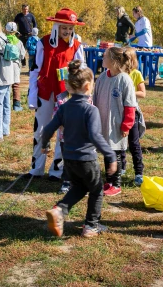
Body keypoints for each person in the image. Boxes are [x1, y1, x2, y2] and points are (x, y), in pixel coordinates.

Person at [43, 60, 117, 238]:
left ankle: (60, 210)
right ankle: (91, 226)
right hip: (86, 159)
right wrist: (110, 155)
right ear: (87, 86)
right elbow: (95, 136)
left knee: (79, 187)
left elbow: (48, 128)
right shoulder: (90, 110)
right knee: (97, 190)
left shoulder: (65, 107)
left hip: (68, 158)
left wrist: (45, 144)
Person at [27, 8, 86, 190]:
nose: (67, 32)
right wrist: (32, 93)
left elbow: (82, 71)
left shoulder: (76, 46)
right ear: (57, 27)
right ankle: (36, 168)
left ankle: (57, 170)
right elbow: (35, 69)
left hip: (65, 95)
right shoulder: (43, 43)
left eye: (70, 29)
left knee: (63, 133)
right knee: (41, 130)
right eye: (64, 28)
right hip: (45, 93)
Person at [92, 46, 137, 196]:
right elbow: (95, 98)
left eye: (105, 57)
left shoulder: (124, 80)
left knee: (115, 152)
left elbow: (130, 105)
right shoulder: (103, 77)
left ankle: (116, 184)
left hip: (117, 123)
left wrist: (126, 125)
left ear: (114, 61)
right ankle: (109, 181)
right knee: (106, 152)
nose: (102, 59)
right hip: (103, 121)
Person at [123, 49, 147, 186]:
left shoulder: (136, 74)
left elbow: (143, 93)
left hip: (132, 111)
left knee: (134, 142)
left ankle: (138, 172)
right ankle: (121, 167)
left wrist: (129, 91)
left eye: (126, 58)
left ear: (132, 60)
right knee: (119, 143)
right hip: (118, 111)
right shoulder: (118, 74)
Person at [5, 22, 26, 111]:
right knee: (16, 85)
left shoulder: (4, 40)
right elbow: (22, 55)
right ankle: (17, 105)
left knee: (6, 85)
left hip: (5, 65)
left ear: (6, 30)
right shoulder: (19, 42)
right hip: (16, 65)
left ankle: (6, 104)